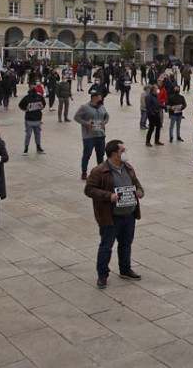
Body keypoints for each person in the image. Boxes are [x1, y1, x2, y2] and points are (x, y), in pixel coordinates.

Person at [84, 139, 144, 288]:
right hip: (111, 216)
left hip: (129, 214)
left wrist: (140, 191)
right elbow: (89, 190)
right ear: (114, 155)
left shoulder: (128, 167)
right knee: (106, 246)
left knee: (126, 244)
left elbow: (136, 183)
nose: (125, 153)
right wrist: (108, 196)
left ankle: (125, 269)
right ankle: (102, 274)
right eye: (122, 151)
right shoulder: (99, 171)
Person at [74, 91, 110, 180]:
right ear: (94, 98)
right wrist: (86, 123)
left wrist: (104, 122)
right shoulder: (84, 107)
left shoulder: (102, 106)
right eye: (100, 97)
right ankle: (84, 171)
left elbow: (107, 116)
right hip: (89, 136)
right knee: (87, 154)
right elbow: (76, 117)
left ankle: (101, 171)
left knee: (100, 155)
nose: (101, 99)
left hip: (101, 135)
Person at [18, 83, 47, 156]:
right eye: (32, 87)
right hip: (29, 118)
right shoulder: (27, 97)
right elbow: (20, 105)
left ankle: (38, 147)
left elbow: (44, 103)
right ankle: (26, 148)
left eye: (34, 86)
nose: (33, 88)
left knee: (38, 134)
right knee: (28, 134)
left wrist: (41, 107)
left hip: (37, 118)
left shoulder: (39, 96)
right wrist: (26, 108)